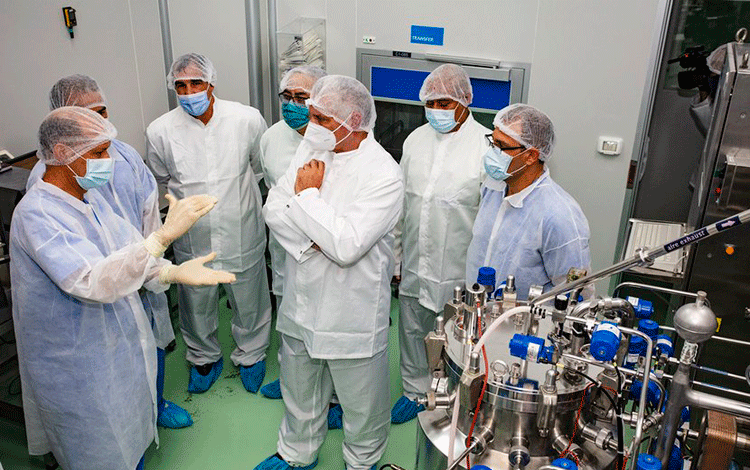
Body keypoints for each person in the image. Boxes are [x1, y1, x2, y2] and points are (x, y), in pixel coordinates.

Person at [11, 106, 235, 470]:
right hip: (75, 362)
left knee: (128, 435)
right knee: (97, 448)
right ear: (64, 153)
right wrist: (162, 236)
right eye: (99, 152)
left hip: (115, 344)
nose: (109, 160)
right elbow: (91, 280)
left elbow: (127, 254)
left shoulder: (90, 199)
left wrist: (170, 274)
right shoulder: (38, 214)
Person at [26, 74, 193, 429]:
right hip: (93, 294)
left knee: (151, 340)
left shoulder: (124, 156)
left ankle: (156, 405)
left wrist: (155, 265)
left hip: (138, 267)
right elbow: (89, 276)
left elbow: (147, 209)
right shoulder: (46, 187)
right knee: (111, 368)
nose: (98, 125)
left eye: (101, 113)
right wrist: (157, 245)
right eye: (86, 116)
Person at [255, 75, 404, 470]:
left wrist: (307, 197)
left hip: (350, 313)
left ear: (352, 119)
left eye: (320, 116)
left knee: (362, 405)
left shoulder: (383, 174)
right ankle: (295, 452)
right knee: (299, 390)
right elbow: (274, 210)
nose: (310, 122)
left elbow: (347, 246)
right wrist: (313, 241)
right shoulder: (314, 144)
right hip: (303, 298)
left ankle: (362, 461)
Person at [146, 53, 272, 394]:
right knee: (195, 302)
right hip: (192, 235)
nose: (189, 92)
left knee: (249, 298)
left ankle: (252, 354)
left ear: (211, 83)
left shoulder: (246, 119)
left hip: (241, 228)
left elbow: (259, 166)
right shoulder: (160, 130)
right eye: (181, 85)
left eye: (196, 83)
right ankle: (203, 357)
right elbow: (162, 176)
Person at [391, 64, 490, 424]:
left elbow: (490, 221)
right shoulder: (415, 140)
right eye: (430, 101)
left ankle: (453, 399)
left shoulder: (486, 147)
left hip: (459, 272)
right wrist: (397, 260)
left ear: (465, 101)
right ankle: (414, 391)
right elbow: (402, 206)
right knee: (413, 328)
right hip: (416, 262)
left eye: (444, 102)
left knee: (457, 338)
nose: (436, 109)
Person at [465, 104, 591, 300]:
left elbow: (574, 293)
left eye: (502, 147)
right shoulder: (493, 187)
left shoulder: (559, 215)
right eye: (493, 143)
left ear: (531, 156)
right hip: (477, 308)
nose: (492, 153)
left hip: (522, 324)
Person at [257, 66, 329, 403]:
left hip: (323, 251)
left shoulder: (333, 141)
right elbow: (271, 192)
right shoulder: (271, 137)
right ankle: (291, 378)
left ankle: (330, 394)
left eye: (302, 97)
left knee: (324, 319)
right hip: (283, 249)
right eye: (287, 97)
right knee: (288, 315)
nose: (292, 104)